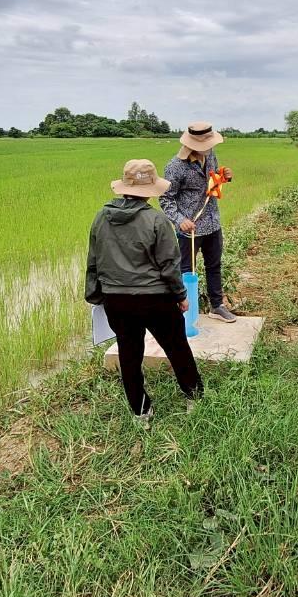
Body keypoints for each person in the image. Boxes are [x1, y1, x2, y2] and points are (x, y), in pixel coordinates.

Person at [85, 159, 204, 425]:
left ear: (124, 187)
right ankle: (194, 398)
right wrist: (181, 296)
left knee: (129, 354)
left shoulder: (101, 217)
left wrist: (96, 296)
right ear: (151, 189)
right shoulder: (156, 220)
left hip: (117, 300)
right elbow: (170, 265)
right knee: (177, 347)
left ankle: (141, 412)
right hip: (155, 300)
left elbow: (94, 259)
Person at [160, 122, 237, 323]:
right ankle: (184, 312)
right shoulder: (175, 167)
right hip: (190, 230)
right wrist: (179, 220)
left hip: (212, 222)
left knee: (214, 265)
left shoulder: (210, 155)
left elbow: (211, 182)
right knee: (186, 271)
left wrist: (224, 177)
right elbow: (165, 198)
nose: (210, 148)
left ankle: (217, 306)